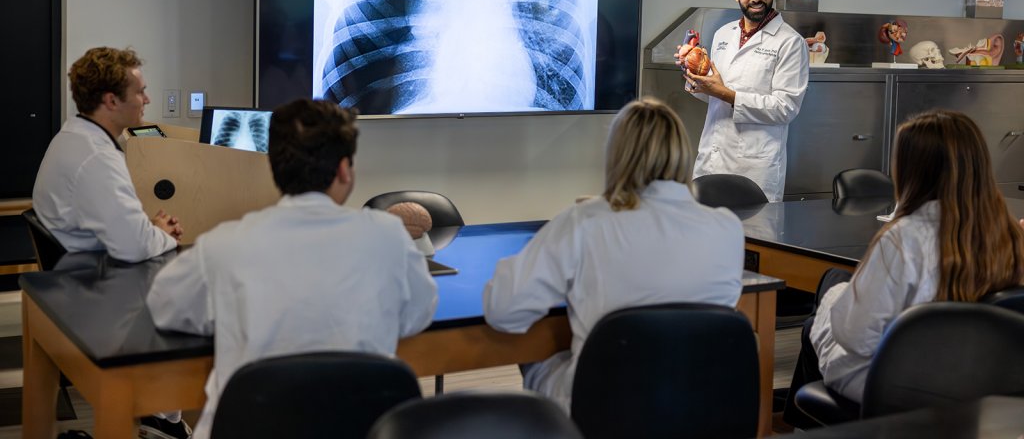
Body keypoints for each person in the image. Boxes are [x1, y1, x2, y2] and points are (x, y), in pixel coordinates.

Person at [146, 99, 438, 439]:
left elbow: (164, 307)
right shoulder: (389, 237)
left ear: (275, 168)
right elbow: (419, 314)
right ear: (345, 170)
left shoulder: (223, 244)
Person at [483, 97, 745, 411]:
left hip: (607, 408)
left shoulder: (587, 221)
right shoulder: (727, 228)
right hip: (701, 407)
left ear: (617, 155)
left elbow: (504, 311)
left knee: (538, 361)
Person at [795, 110, 1024, 414]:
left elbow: (856, 338)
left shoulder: (903, 239)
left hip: (901, 388)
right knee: (835, 283)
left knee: (822, 309)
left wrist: (833, 301)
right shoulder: (1006, 232)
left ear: (912, 170)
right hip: (979, 383)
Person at [674, 0, 809, 202]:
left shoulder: (790, 42)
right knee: (706, 236)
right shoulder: (723, 34)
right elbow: (713, 96)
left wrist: (724, 93)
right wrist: (694, 76)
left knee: (753, 238)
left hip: (755, 169)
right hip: (713, 158)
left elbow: (786, 108)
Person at [32, 47, 184, 262]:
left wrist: (149, 230)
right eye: (140, 92)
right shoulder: (97, 158)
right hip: (95, 276)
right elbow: (135, 248)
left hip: (81, 262)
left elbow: (125, 230)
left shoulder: (70, 136)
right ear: (112, 101)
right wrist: (162, 235)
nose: (147, 99)